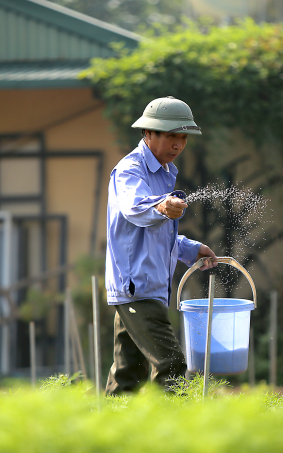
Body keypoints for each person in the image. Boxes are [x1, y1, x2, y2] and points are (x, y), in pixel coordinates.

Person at [104, 96, 218, 395]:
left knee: (128, 374)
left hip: (147, 288)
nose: (178, 144)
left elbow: (157, 235)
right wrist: (162, 206)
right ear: (148, 133)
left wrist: (192, 248)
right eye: (170, 136)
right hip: (137, 289)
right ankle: (171, 436)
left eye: (183, 137)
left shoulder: (166, 173)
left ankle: (108, 435)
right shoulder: (130, 170)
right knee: (172, 366)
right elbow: (135, 208)